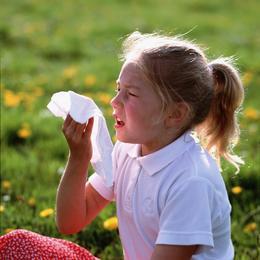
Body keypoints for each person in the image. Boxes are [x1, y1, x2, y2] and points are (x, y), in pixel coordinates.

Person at [0, 31, 244, 260]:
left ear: (174, 114)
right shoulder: (127, 151)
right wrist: (79, 157)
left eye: (131, 94)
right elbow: (70, 221)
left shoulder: (191, 182)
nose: (114, 101)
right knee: (16, 243)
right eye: (118, 89)